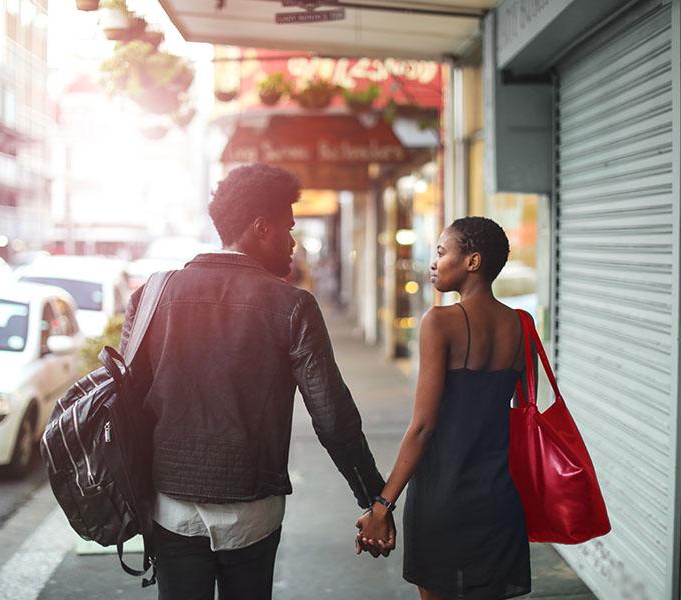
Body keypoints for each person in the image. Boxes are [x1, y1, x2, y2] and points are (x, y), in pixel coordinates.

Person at [120, 163, 390, 600]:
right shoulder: (293, 305)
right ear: (262, 227)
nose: (293, 242)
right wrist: (373, 497)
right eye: (288, 228)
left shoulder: (151, 294)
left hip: (170, 503)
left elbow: (126, 402)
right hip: (251, 508)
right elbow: (332, 416)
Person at [356, 216, 533, 600]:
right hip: (500, 495)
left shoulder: (439, 322)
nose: (433, 263)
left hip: (444, 494)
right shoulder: (522, 325)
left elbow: (423, 427)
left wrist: (383, 505)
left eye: (441, 252)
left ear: (472, 261)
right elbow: (520, 412)